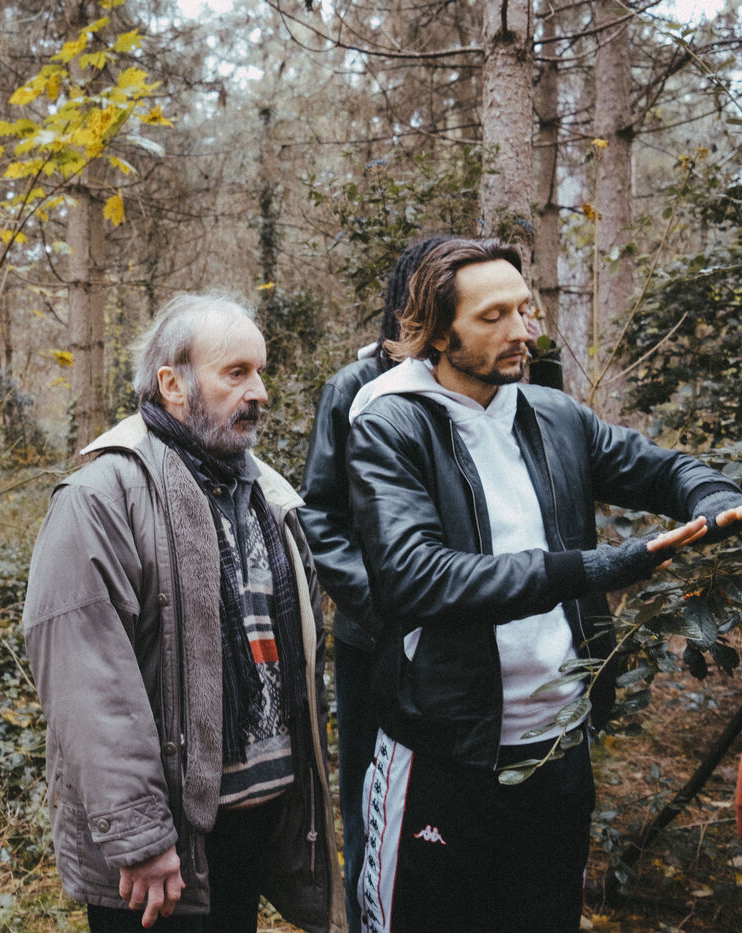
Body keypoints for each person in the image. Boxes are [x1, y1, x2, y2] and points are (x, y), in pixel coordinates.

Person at [344, 238, 742, 932]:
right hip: (444, 754)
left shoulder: (554, 416)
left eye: (524, 310)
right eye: (493, 316)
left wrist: (712, 497)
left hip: (557, 752)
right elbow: (416, 578)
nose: (521, 330)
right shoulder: (391, 424)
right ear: (439, 333)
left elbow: (661, 469)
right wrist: (593, 567)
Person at [22, 293, 340, 932]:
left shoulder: (267, 495)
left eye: (260, 372)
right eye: (236, 373)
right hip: (162, 847)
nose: (260, 392)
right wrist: (140, 837)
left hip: (250, 826)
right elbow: (89, 688)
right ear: (172, 384)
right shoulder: (101, 498)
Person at [297, 234, 448, 931]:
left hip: (469, 641)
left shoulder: (498, 385)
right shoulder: (352, 388)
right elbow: (322, 518)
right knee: (371, 796)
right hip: (374, 642)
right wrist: (387, 611)